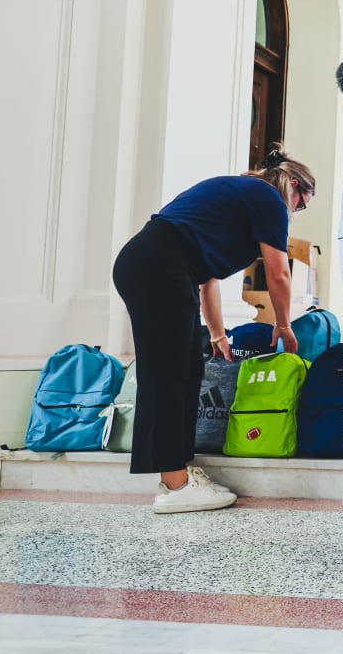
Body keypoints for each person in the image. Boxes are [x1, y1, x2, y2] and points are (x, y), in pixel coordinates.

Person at [112, 146, 314, 513]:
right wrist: (283, 324)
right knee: (169, 374)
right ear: (294, 185)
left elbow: (208, 282)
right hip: (158, 266)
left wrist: (218, 336)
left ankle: (180, 474)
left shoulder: (238, 199)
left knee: (189, 369)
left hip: (157, 265)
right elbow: (279, 273)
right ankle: (174, 486)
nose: (295, 213)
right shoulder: (268, 197)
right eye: (300, 204)